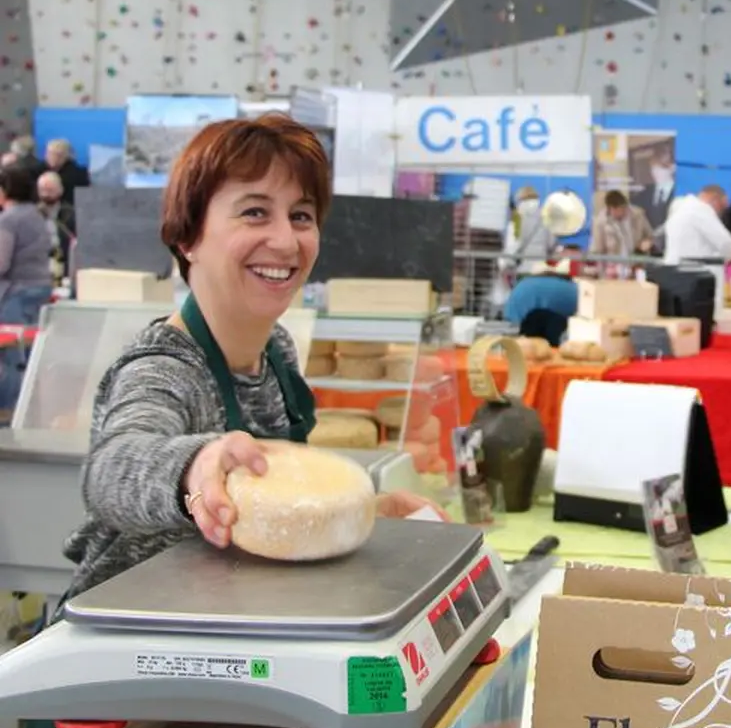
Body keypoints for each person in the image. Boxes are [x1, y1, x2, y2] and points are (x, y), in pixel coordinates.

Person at [57, 113, 434, 610]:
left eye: (301, 216)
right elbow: (112, 470)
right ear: (188, 236)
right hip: (130, 642)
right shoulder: (164, 368)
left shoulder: (277, 351)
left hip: (224, 623)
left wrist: (363, 516)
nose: (284, 240)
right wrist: (195, 466)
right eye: (255, 212)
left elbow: (266, 515)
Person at [0, 164, 54, 415]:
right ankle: (31, 412)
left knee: (13, 358)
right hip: (40, 289)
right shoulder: (36, 214)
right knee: (33, 357)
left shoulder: (9, 219)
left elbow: (1, 262)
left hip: (16, 293)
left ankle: (9, 412)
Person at [663, 185, 731, 266]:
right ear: (715, 199)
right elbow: (726, 243)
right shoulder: (702, 210)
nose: (720, 213)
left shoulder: (680, 208)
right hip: (694, 271)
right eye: (721, 206)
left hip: (672, 267)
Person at [589, 189, 654, 259]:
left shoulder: (638, 215)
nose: (621, 213)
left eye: (623, 209)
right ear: (609, 209)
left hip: (638, 263)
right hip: (613, 265)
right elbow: (598, 250)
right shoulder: (600, 223)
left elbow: (650, 236)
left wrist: (646, 243)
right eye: (616, 211)